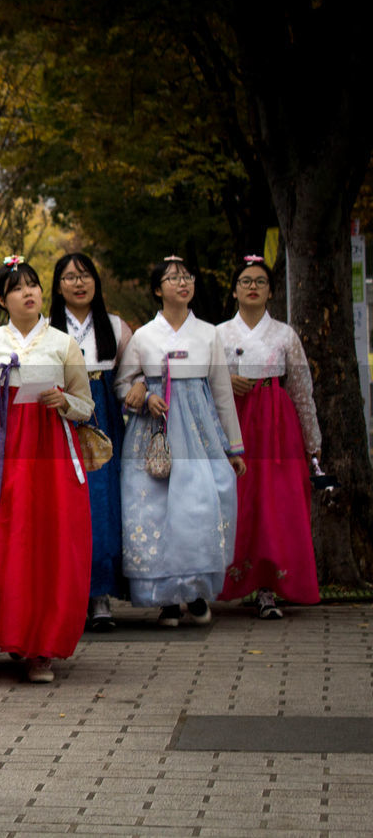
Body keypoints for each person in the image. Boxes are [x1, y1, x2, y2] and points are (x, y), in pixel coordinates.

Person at [0, 257, 94, 683]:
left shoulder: (64, 344)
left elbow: (87, 405)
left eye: (33, 286)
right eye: (17, 288)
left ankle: (41, 646)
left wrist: (65, 403)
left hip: (49, 453)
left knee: (46, 542)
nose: (29, 293)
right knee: (4, 541)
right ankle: (12, 632)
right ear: (2, 299)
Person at [116, 256, 247, 627]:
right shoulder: (143, 336)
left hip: (199, 430)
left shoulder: (208, 333)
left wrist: (233, 447)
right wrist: (143, 391)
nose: (182, 283)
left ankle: (197, 591)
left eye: (187, 276)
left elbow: (221, 391)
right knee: (155, 512)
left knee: (199, 507)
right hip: (153, 434)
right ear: (158, 289)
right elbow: (121, 385)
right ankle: (166, 599)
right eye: (172, 278)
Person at [215, 256, 321, 618]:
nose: (253, 287)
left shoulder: (285, 334)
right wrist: (226, 381)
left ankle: (269, 589)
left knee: (275, 503)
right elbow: (204, 379)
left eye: (260, 281)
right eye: (245, 281)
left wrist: (312, 442)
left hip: (277, 422)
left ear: (272, 290)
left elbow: (302, 389)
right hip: (235, 418)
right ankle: (227, 580)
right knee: (239, 500)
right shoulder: (219, 334)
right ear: (234, 290)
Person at [49, 253, 133, 632]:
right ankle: (67, 592)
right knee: (64, 499)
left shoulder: (116, 327)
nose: (78, 283)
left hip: (103, 412)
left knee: (102, 501)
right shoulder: (45, 326)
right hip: (59, 412)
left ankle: (99, 594)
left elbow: (129, 377)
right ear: (57, 285)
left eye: (84, 276)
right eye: (69, 277)